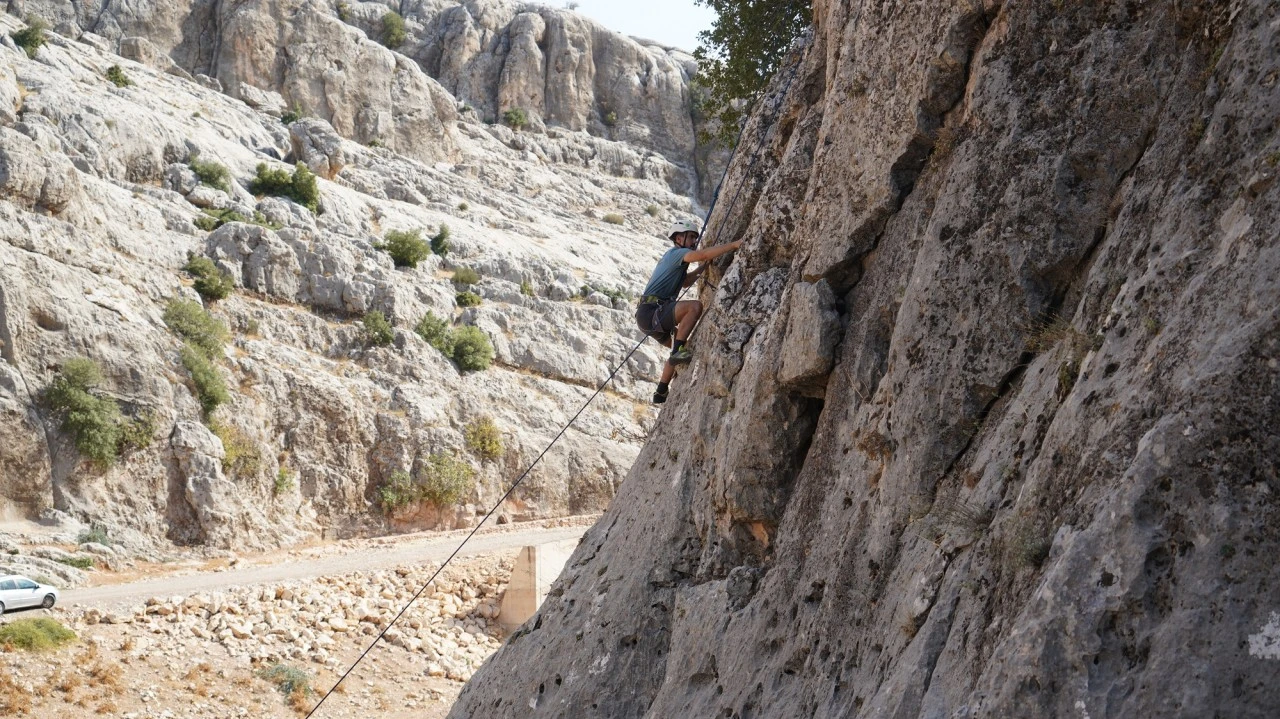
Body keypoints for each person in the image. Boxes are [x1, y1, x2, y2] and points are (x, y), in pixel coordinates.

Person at [635, 219, 743, 404]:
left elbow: (685, 282)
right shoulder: (678, 253)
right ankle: (678, 351)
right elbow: (700, 255)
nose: (694, 241)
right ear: (679, 238)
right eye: (691, 237)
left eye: (695, 237)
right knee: (695, 307)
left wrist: (702, 269)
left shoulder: (674, 259)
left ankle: (661, 390)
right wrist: (734, 245)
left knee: (680, 345)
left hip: (648, 315)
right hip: (652, 311)